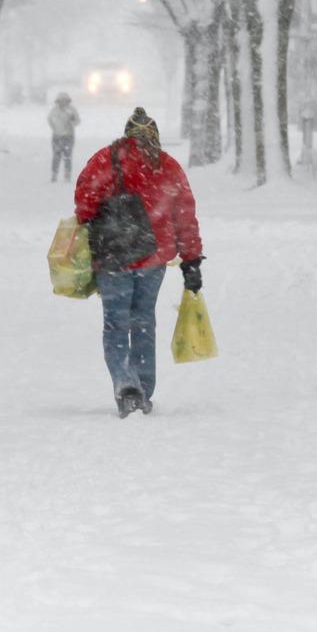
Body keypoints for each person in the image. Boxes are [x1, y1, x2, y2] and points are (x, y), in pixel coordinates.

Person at [74, 107, 203, 418]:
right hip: (153, 258)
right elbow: (184, 215)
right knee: (143, 321)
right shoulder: (168, 166)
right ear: (154, 136)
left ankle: (124, 384)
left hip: (113, 256)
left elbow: (83, 203)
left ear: (126, 133)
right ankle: (143, 388)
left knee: (116, 324)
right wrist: (191, 260)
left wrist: (100, 222)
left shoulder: (105, 159)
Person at [47, 92, 80, 182]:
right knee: (56, 156)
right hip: (57, 136)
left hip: (68, 136)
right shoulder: (54, 111)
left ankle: (67, 174)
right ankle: (54, 174)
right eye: (61, 101)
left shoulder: (72, 110)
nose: (63, 102)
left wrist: (71, 123)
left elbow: (77, 120)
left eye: (65, 100)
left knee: (67, 156)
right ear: (58, 101)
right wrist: (54, 128)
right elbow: (50, 120)